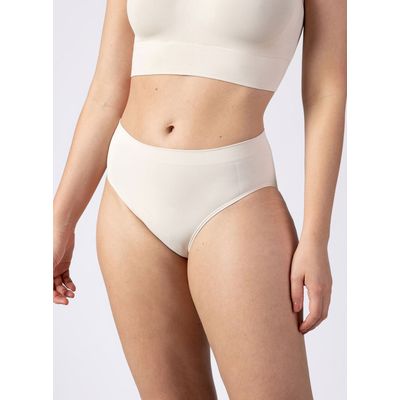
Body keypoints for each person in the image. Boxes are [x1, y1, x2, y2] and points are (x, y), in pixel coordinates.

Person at [53, 0, 346, 398]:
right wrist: (61, 219)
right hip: (129, 197)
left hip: (235, 194)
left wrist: (316, 237)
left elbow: (326, 91)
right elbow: (106, 91)